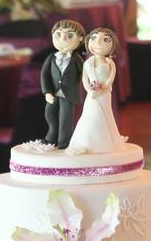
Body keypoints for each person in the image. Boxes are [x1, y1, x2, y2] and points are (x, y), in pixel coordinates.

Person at [66, 27, 127, 155]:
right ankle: (87, 141)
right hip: (91, 95)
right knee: (90, 114)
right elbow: (84, 79)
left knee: (104, 114)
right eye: (94, 38)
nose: (98, 42)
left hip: (104, 94)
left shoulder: (110, 62)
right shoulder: (87, 62)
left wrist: (103, 87)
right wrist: (90, 89)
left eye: (105, 40)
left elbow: (111, 78)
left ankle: (104, 143)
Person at [41, 20, 85, 148]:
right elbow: (45, 76)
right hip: (53, 93)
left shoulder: (77, 59)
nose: (63, 39)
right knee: (50, 115)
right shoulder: (51, 58)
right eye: (58, 35)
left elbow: (84, 74)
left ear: (80, 38)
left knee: (66, 118)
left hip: (68, 95)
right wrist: (47, 92)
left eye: (70, 36)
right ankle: (51, 138)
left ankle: (64, 141)